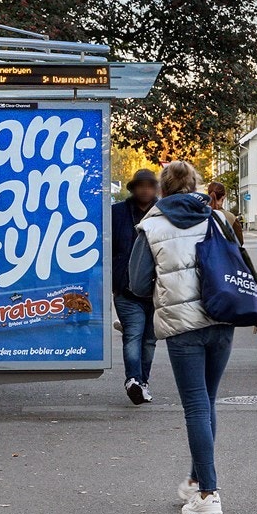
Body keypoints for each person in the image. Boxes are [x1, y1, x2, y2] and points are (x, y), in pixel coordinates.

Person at [127, 161, 233, 514]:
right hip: (222, 317)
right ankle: (196, 479)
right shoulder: (216, 218)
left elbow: (137, 283)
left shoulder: (152, 225)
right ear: (195, 185)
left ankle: (208, 494)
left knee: (196, 406)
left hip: (183, 325)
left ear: (163, 189)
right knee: (208, 401)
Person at [111, 169, 159, 405]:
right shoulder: (117, 213)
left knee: (149, 340)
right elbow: (108, 247)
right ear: (133, 188)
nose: (145, 190)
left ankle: (142, 382)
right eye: (141, 185)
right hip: (126, 288)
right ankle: (133, 380)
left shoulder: (162, 213)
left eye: (150, 185)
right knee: (133, 334)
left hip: (156, 290)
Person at [207, 181, 243, 246]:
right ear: (223, 197)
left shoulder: (200, 214)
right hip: (225, 252)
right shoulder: (231, 217)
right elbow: (240, 242)